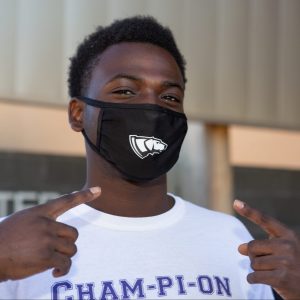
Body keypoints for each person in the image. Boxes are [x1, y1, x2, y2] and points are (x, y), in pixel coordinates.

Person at [0, 15, 298, 299]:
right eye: (126, 91)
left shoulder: (228, 236)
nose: (152, 109)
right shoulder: (17, 241)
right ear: (78, 113)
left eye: (170, 97)